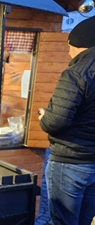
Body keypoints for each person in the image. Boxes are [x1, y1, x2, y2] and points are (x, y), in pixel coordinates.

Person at [38, 16, 95, 225]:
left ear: (78, 44)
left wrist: (44, 117)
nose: (67, 51)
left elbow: (55, 122)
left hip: (69, 161)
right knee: (84, 221)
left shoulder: (76, 73)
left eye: (68, 45)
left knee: (61, 221)